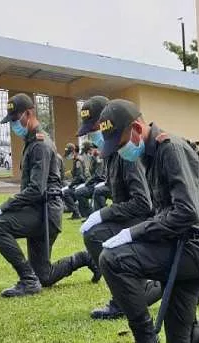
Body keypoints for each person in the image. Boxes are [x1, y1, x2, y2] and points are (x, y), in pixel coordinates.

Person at [97, 99, 199, 343]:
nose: (121, 152)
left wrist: (135, 233)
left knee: (113, 260)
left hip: (193, 248)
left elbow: (186, 212)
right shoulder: (148, 154)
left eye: (120, 144)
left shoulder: (170, 149)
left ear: (136, 128)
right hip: (178, 247)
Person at [0, 93, 94, 297]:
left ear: (29, 113)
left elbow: (36, 189)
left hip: (44, 213)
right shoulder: (32, 141)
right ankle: (84, 258)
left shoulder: (40, 144)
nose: (14, 125)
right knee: (44, 276)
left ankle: (27, 280)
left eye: (16, 120)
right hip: (42, 211)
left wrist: (4, 207)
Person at [70, 96, 160, 320]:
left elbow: (143, 202)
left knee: (95, 235)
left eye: (94, 131)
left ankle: (126, 296)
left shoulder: (125, 151)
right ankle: (128, 293)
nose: (93, 137)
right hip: (132, 216)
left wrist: (103, 213)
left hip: (145, 220)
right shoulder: (111, 153)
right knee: (94, 234)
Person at [76, 140, 106, 218]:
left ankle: (91, 215)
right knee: (79, 192)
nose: (88, 153)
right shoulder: (93, 157)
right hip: (94, 183)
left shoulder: (98, 157)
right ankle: (88, 215)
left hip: (100, 182)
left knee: (80, 192)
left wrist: (87, 183)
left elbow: (98, 175)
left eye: (88, 151)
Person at [62, 143, 88, 220]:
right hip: (78, 183)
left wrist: (70, 185)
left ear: (73, 152)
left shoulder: (78, 161)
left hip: (81, 184)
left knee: (65, 192)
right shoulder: (76, 160)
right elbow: (74, 173)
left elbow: (79, 177)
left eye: (69, 153)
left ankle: (76, 213)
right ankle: (76, 211)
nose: (68, 156)